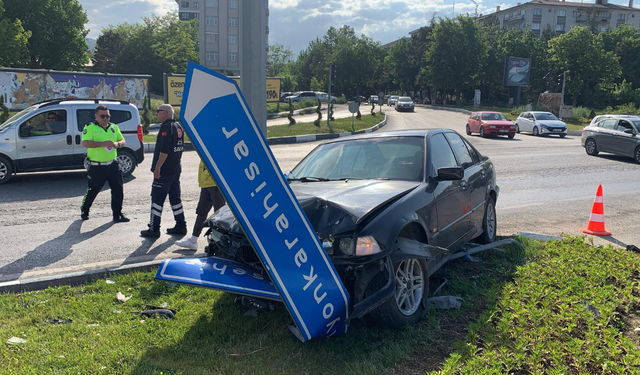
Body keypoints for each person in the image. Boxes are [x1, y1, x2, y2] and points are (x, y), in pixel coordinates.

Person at [140, 104, 186, 238]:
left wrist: (158, 167)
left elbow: (164, 150)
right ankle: (181, 225)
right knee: (175, 197)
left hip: (165, 170)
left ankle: (154, 228)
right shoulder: (178, 126)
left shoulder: (166, 127)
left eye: (158, 111)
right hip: (175, 168)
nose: (156, 114)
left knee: (157, 199)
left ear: (165, 113)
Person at [80, 104, 129, 222]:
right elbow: (85, 143)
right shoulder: (90, 127)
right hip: (97, 166)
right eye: (103, 116)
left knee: (118, 189)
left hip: (113, 164)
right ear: (96, 116)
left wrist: (118, 144)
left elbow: (123, 140)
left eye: (108, 116)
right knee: (93, 189)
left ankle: (117, 214)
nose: (106, 118)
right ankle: (84, 209)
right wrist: (103, 144)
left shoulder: (113, 127)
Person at [174, 160, 226, 250]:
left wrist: (207, 174)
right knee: (201, 211)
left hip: (215, 183)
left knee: (219, 214)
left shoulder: (217, 146)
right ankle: (193, 240)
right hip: (206, 183)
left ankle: (220, 243)